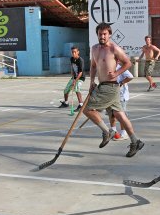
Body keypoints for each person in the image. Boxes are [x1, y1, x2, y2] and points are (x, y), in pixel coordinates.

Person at [83, 22, 144, 157]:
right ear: (97, 35)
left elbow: (128, 63)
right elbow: (93, 66)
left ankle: (107, 131)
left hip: (110, 87)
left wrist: (116, 73)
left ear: (109, 34)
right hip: (103, 85)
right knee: (120, 115)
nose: (102, 36)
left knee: (87, 109)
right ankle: (135, 141)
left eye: (105, 34)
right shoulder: (94, 49)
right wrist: (92, 81)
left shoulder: (114, 48)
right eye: (100, 34)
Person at [110, 61, 134, 141]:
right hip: (111, 95)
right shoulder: (108, 68)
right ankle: (113, 131)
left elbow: (130, 76)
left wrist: (121, 83)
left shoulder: (121, 68)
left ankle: (124, 133)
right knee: (111, 114)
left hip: (121, 95)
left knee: (121, 115)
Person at [59, 46, 85, 110]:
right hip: (74, 77)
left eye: (75, 52)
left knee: (76, 88)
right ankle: (66, 103)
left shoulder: (80, 60)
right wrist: (72, 74)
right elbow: (72, 67)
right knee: (66, 90)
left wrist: (75, 81)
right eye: (72, 52)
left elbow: (80, 73)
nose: (73, 53)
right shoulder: (71, 59)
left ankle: (81, 105)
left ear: (78, 52)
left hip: (80, 78)